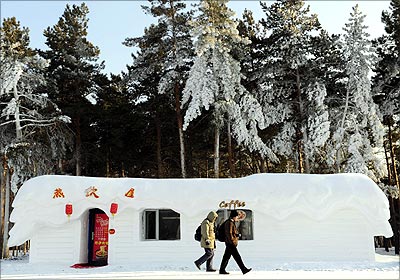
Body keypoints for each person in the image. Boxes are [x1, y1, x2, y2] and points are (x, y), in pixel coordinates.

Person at [219, 209, 252, 275]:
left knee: (226, 257)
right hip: (230, 243)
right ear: (233, 216)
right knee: (237, 257)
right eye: (237, 216)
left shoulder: (231, 222)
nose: (238, 218)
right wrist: (232, 241)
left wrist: (236, 235)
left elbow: (231, 232)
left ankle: (222, 270)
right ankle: (243, 269)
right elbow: (229, 233)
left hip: (230, 242)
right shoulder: (229, 223)